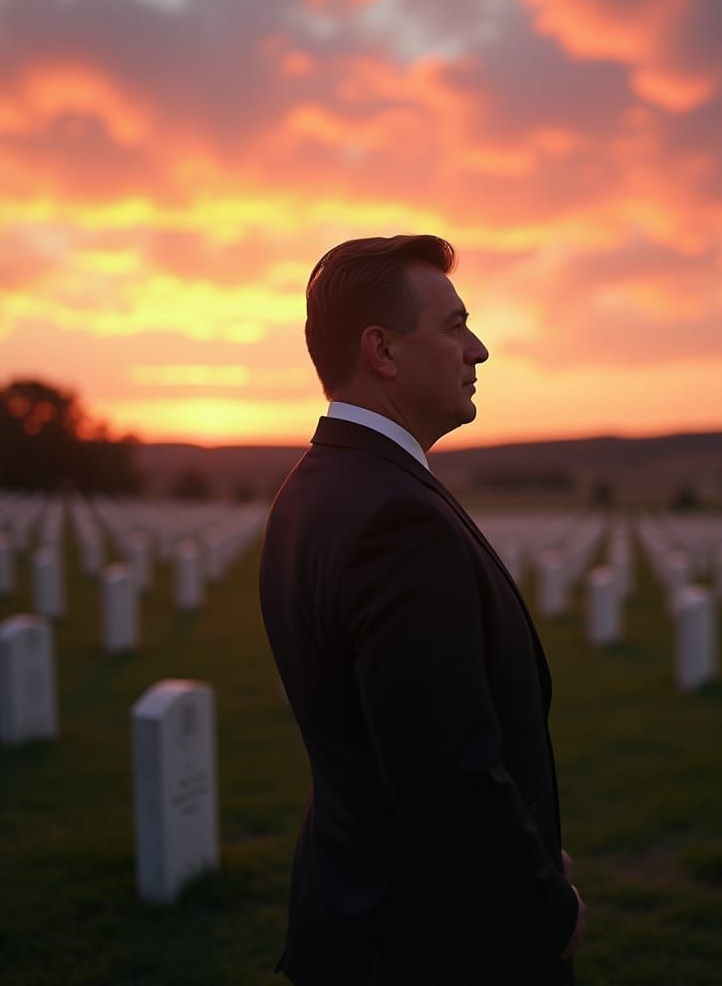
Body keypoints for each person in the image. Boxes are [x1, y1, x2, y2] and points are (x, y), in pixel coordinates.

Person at [258, 235, 586, 985]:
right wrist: (544, 906)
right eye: (454, 326)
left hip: (355, 910)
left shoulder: (314, 487)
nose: (479, 350)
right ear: (382, 351)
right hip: (432, 944)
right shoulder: (395, 519)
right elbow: (445, 771)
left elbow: (378, 743)